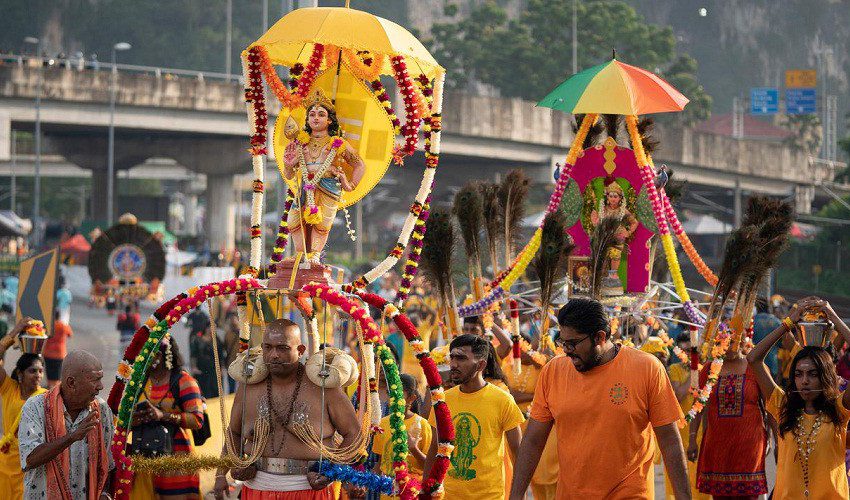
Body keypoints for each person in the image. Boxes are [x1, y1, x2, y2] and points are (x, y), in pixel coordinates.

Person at [509, 298, 690, 499]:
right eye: (562, 342)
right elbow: (533, 441)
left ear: (600, 337)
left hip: (630, 494)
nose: (566, 350)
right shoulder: (553, 371)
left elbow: (669, 440)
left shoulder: (647, 368)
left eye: (573, 343)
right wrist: (515, 495)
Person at [213, 319, 362, 499]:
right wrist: (222, 473)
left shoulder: (324, 387)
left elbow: (354, 433)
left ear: (300, 351)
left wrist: (332, 471)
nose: (274, 355)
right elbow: (234, 433)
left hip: (310, 490)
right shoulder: (248, 388)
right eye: (268, 347)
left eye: (282, 348)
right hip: (257, 488)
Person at [747, 296, 850, 499]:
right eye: (799, 374)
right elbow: (753, 358)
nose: (804, 381)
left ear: (825, 377)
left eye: (813, 374)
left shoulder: (839, 409)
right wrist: (788, 322)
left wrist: (835, 318)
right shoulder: (782, 406)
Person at [423, 334, 524, 500]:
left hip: (489, 496)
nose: (454, 364)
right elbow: (434, 448)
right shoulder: (442, 400)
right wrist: (425, 490)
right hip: (448, 495)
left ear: (481, 364)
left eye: (461, 358)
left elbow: (518, 454)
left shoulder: (503, 400)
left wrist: (518, 495)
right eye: (452, 357)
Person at [687, 317, 768, 498]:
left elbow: (771, 405)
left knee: (749, 495)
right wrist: (692, 439)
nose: (729, 346)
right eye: (724, 342)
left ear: (743, 341)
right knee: (720, 495)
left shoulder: (755, 367)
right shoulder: (709, 368)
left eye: (733, 341)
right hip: (718, 445)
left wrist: (775, 439)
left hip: (749, 444)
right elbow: (697, 406)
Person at [282, 88, 366, 262]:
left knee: (321, 224)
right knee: (293, 221)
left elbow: (359, 165)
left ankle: (314, 256)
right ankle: (299, 256)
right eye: (312, 114)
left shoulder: (338, 143)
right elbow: (289, 175)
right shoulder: (299, 143)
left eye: (321, 114)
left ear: (329, 120)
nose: (316, 118)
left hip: (328, 187)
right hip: (306, 187)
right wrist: (288, 164)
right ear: (307, 119)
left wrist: (349, 184)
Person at [18, 350, 114, 500]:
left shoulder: (101, 410)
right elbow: (30, 459)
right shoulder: (35, 407)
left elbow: (107, 463)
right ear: (71, 383)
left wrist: (104, 493)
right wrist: (72, 437)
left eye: (100, 379)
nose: (100, 386)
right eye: (95, 380)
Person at [131, 336, 204, 499]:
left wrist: (163, 415)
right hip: (145, 464)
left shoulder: (184, 381)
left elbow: (197, 420)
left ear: (162, 355)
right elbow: (123, 419)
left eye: (149, 354)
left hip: (176, 467)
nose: (142, 358)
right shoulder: (139, 383)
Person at [0, 318, 46, 498]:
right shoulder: (8, 388)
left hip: (30, 465)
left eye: (40, 371)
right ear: (20, 374)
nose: (38, 375)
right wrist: (13, 333)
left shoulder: (45, 396)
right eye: (32, 371)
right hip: (5, 462)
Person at [371, 374, 431, 500]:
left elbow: (430, 466)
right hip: (387, 495)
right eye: (389, 393)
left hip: (411, 494)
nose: (393, 398)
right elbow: (381, 463)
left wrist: (414, 449)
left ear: (412, 398)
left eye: (398, 394)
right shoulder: (382, 424)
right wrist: (365, 483)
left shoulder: (422, 425)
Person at [665, 333, 709, 500]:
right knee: (681, 476)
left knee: (700, 477)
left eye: (691, 351)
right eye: (684, 351)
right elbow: (678, 396)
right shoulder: (674, 369)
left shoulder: (706, 369)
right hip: (680, 430)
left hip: (700, 431)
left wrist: (699, 370)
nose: (688, 354)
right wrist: (693, 373)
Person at [44, 310, 74, 389]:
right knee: (58, 372)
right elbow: (70, 334)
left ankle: (50, 387)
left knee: (49, 371)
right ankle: (56, 389)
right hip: (60, 353)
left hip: (48, 352)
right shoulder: (63, 326)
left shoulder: (48, 326)